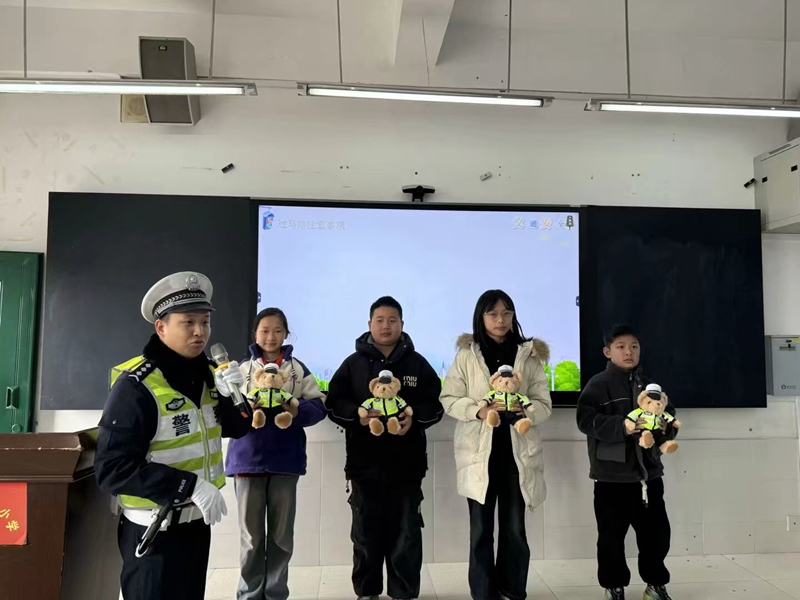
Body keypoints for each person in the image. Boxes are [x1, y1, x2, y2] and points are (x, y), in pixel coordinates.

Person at [95, 272, 252, 600]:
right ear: (161, 327)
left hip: (196, 526)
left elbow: (238, 428)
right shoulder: (136, 386)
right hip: (154, 529)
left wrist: (232, 396)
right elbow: (112, 469)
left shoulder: (209, 375)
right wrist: (187, 485)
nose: (200, 332)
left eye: (205, 322)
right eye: (188, 322)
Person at [325, 296, 444, 600]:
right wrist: (359, 417)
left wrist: (413, 418)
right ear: (369, 325)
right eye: (380, 320)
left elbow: (435, 403)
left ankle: (404, 593)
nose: (386, 326)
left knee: (406, 533)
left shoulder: (417, 363)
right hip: (364, 465)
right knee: (365, 533)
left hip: (408, 465)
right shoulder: (353, 364)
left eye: (392, 320)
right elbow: (334, 402)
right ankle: (367, 592)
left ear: (402, 325)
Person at [440, 289, 552, 600]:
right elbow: (448, 398)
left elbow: (544, 404)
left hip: (518, 458)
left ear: (513, 316)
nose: (500, 319)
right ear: (481, 317)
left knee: (515, 530)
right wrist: (478, 410)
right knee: (480, 531)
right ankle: (483, 593)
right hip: (479, 457)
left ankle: (512, 590)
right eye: (493, 313)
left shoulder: (528, 357)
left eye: (506, 313)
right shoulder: (467, 356)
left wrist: (526, 411)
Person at [226, 307, 326, 600]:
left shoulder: (297, 369)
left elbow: (318, 406)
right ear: (255, 334)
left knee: (281, 536)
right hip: (247, 460)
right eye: (265, 330)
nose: (271, 337)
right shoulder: (241, 369)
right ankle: (249, 594)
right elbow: (226, 410)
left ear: (286, 334)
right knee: (250, 537)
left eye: (278, 331)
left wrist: (295, 410)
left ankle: (275, 593)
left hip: (286, 460)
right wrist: (246, 410)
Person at [576, 324, 676, 600]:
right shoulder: (597, 384)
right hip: (610, 478)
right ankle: (614, 587)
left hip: (648, 476)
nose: (628, 352)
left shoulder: (651, 386)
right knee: (610, 539)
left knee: (657, 536)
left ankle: (655, 586)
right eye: (621, 347)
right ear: (607, 352)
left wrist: (664, 429)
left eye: (634, 346)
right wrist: (623, 426)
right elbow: (585, 421)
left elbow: (669, 418)